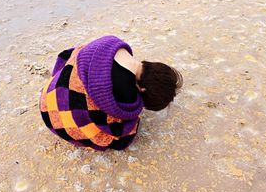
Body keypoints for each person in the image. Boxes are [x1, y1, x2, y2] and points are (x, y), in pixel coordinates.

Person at [39, 35, 183, 151]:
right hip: (54, 117)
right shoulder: (127, 94)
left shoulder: (115, 45)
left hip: (50, 94)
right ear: (142, 89)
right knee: (123, 138)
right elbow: (119, 127)